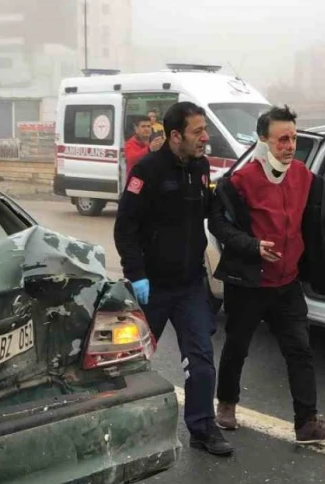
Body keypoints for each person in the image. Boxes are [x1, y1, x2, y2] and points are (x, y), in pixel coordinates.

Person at [208, 105, 325, 444]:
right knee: (237, 346)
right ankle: (226, 403)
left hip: (287, 283)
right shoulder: (240, 181)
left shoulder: (304, 177)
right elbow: (219, 224)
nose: (289, 145)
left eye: (293, 138)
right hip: (250, 283)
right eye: (282, 139)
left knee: (300, 351)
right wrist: (252, 246)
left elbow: (323, 211)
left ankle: (307, 422)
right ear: (263, 141)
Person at [114, 101, 233, 457]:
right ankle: (119, 428)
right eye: (198, 131)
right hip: (152, 287)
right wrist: (136, 274)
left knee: (200, 360)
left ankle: (202, 428)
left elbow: (209, 212)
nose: (205, 138)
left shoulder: (199, 167)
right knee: (130, 361)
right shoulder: (147, 171)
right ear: (175, 135)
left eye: (205, 130)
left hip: (189, 285)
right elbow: (125, 228)